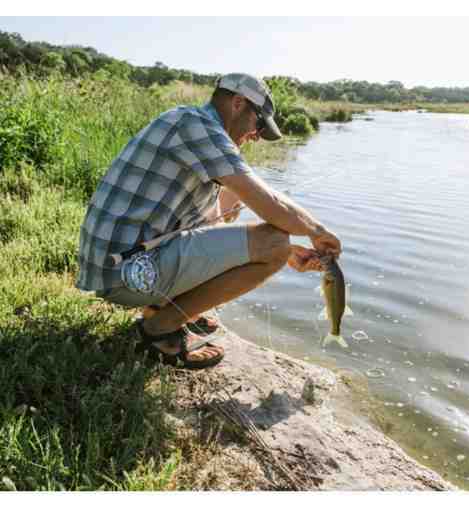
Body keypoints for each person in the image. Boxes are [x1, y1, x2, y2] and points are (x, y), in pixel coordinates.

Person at [76, 73, 341, 369]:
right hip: (124, 272)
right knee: (274, 243)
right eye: (259, 124)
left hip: (117, 263)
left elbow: (210, 220)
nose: (256, 135)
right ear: (238, 103)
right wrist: (316, 231)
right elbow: (270, 203)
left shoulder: (190, 123)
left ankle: (164, 306)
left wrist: (292, 253)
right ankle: (159, 329)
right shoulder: (198, 126)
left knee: (232, 202)